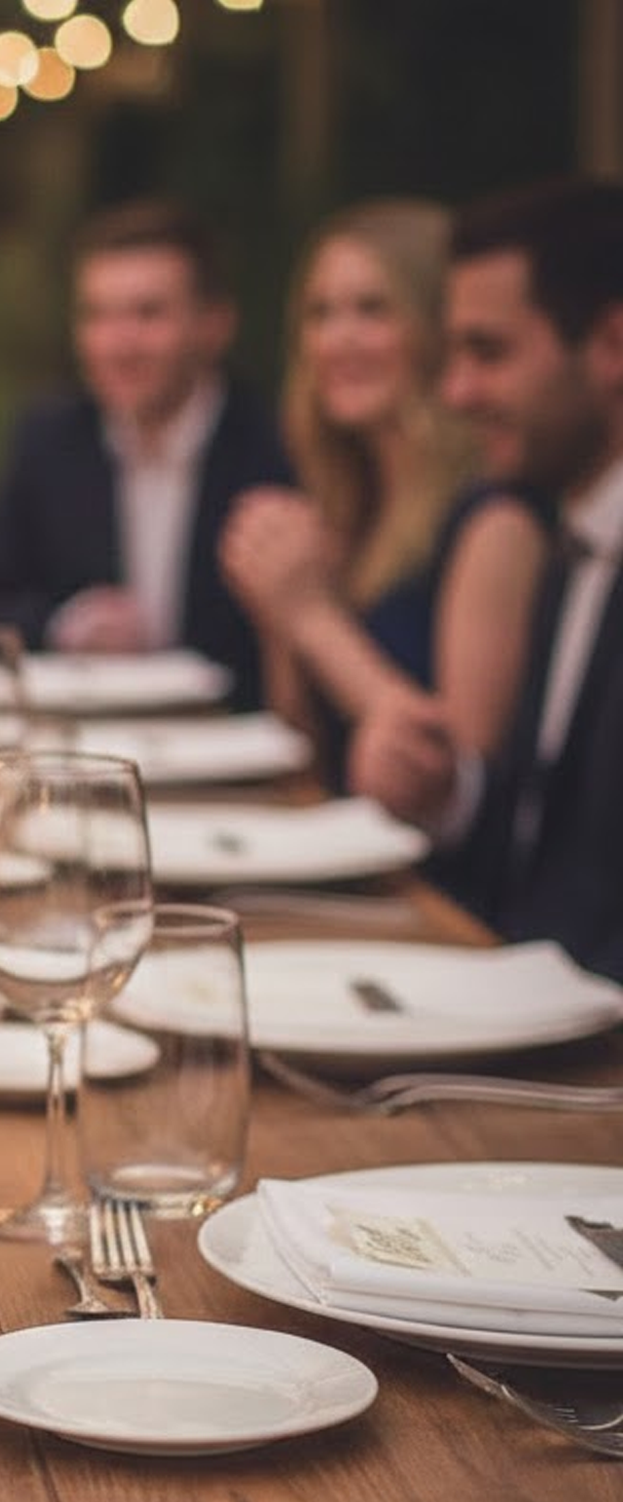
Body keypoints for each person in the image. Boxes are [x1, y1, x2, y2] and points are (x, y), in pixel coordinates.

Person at [351, 178, 623, 979]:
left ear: (612, 347)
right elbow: (552, 839)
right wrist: (445, 796)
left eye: (489, 352)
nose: (456, 391)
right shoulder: (574, 536)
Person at [219, 200, 548, 781]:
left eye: (373, 310)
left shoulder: (493, 518)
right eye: (320, 314)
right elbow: (303, 759)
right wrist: (277, 620)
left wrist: (311, 618)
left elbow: (453, 776)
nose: (338, 341)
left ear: (438, 326)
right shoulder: (349, 502)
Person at [0, 199, 287, 708]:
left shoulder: (273, 446)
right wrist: (66, 624)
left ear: (215, 325)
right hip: (83, 738)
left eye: (148, 314)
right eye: (98, 316)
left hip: (234, 747)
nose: (118, 344)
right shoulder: (51, 439)